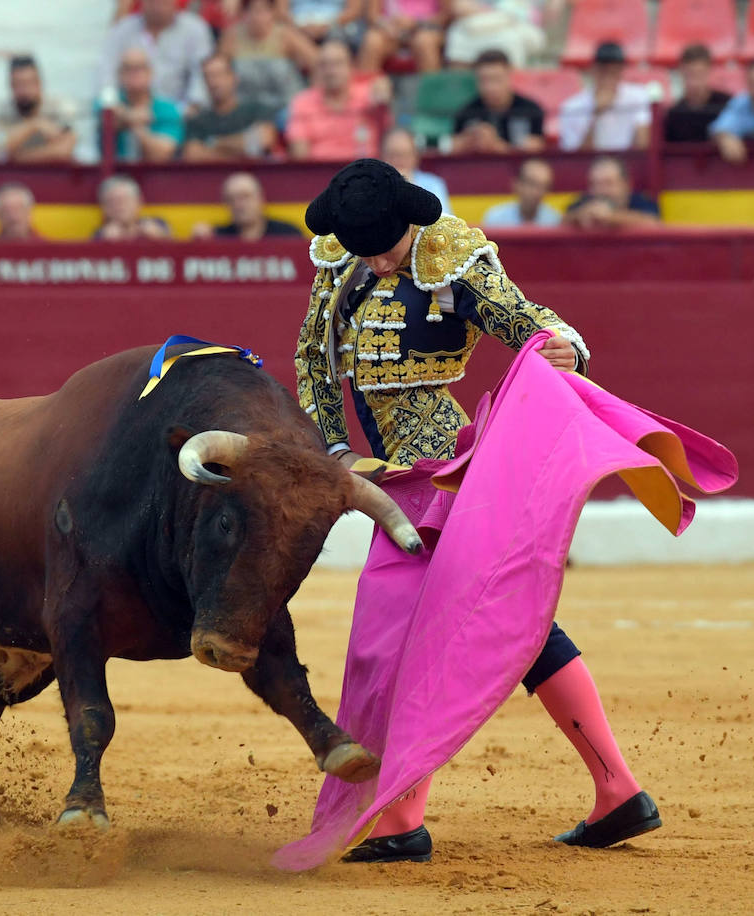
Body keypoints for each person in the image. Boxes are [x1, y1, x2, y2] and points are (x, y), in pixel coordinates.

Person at [295, 158, 659, 863]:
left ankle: (406, 819)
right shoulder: (342, 254)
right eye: (364, 247)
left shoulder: (451, 253)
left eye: (385, 246)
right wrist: (336, 447)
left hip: (443, 469)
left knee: (413, 628)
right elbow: (314, 354)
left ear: (408, 222)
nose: (375, 258)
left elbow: (524, 321)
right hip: (388, 474)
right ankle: (615, 790)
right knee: (476, 621)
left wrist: (566, 345)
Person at [285, 39, 390, 160]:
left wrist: (383, 103)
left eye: (337, 64)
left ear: (351, 67)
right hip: (320, 173)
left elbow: (390, 140)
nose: (331, 71)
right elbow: (300, 157)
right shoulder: (302, 103)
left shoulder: (371, 97)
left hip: (366, 173)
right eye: (324, 65)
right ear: (316, 71)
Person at [100, 0, 215, 110]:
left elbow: (201, 75)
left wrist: (192, 107)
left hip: (181, 115)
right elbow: (107, 75)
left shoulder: (194, 29)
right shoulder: (122, 30)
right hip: (130, 112)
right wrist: (114, 108)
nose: (157, 5)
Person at [181, 53, 280, 161]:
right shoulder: (198, 120)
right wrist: (244, 147)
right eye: (208, 76)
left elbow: (265, 139)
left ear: (234, 78)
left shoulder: (256, 109)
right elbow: (193, 154)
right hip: (213, 176)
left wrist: (214, 143)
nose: (213, 82)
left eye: (219, 75)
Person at [221, 0, 313, 115]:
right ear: (243, 13)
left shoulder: (286, 35)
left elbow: (317, 62)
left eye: (262, 11)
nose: (256, 17)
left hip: (286, 107)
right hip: (245, 110)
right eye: (250, 11)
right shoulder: (231, 37)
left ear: (272, 12)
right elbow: (218, 71)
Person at [558, 41, 652, 152]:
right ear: (593, 70)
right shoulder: (572, 107)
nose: (608, 76)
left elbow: (644, 145)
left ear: (621, 70)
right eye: (604, 70)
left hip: (628, 164)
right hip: (592, 167)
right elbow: (576, 159)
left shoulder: (639, 96)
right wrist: (595, 115)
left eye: (614, 71)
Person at [98, 47, 186, 163]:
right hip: (115, 175)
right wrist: (133, 116)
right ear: (119, 74)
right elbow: (106, 116)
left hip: (156, 175)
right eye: (128, 69)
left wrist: (136, 127)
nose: (134, 74)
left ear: (150, 73)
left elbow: (163, 153)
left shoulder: (167, 109)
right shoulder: (109, 100)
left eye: (139, 68)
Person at [450, 49, 545, 153]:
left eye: (496, 79)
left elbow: (534, 152)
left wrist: (496, 145)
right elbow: (451, 149)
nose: (490, 87)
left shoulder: (530, 110)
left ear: (509, 76)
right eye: (484, 80)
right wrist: (466, 141)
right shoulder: (466, 112)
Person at [0, 56, 76, 163]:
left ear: (39, 83)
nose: (24, 91)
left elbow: (65, 150)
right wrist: (34, 124)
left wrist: (19, 158)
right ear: (11, 86)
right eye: (18, 84)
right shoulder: (1, 112)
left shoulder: (60, 108)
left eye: (28, 83)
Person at [192, 171, 306, 239]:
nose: (239, 205)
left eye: (245, 197)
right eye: (232, 199)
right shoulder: (218, 237)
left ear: (261, 199)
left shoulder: (288, 235)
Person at [443, 0, 555, 68]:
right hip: (480, 23)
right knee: (458, 34)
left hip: (519, 27)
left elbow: (549, 13)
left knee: (509, 39)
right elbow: (459, 7)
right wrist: (497, 14)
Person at [563, 155, 661, 230]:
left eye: (608, 183)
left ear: (626, 185)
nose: (601, 191)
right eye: (595, 184)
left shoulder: (641, 201)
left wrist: (610, 217)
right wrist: (581, 215)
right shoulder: (586, 201)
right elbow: (563, 221)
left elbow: (653, 222)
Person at [663, 44, 732, 144]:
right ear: (681, 72)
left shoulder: (727, 104)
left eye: (700, 73)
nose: (695, 81)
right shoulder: (674, 114)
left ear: (709, 71)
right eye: (691, 74)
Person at [359, 0, 450, 72]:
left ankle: (432, 91)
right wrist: (386, 26)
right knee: (373, 41)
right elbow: (372, 15)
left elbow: (446, 15)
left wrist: (416, 23)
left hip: (426, 30)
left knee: (423, 42)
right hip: (390, 32)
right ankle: (363, 92)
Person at [381, 127, 451, 214]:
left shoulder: (434, 184)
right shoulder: (373, 185)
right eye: (392, 155)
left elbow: (444, 221)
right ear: (382, 156)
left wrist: (408, 189)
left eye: (404, 155)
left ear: (415, 157)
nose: (397, 161)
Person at [482, 157, 561, 227]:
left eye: (544, 186)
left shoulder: (555, 220)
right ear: (517, 184)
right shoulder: (495, 218)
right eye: (532, 184)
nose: (538, 192)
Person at [93, 174, 172, 240]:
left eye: (125, 200)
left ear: (139, 202)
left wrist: (162, 237)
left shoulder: (158, 225)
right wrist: (103, 242)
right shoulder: (101, 235)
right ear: (104, 207)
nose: (120, 206)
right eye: (112, 201)